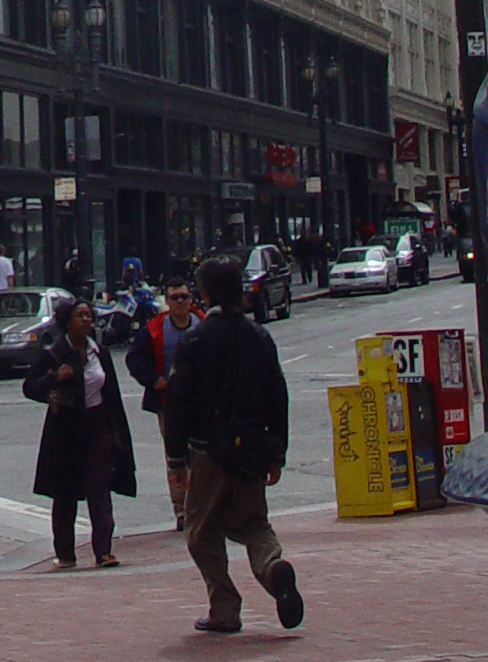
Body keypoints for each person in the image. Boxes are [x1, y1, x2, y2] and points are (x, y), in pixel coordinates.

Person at [165, 256, 303, 637]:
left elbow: (178, 400)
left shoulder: (195, 340)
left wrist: (176, 458)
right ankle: (272, 568)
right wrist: (277, 451)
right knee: (254, 521)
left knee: (200, 529)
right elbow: (279, 394)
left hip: (209, 449)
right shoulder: (259, 336)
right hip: (253, 446)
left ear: (204, 292)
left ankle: (224, 606)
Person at [23, 294, 137, 571]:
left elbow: (111, 394)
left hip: (98, 425)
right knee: (66, 492)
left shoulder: (100, 352)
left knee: (99, 488)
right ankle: (65, 554)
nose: (86, 319)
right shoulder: (54, 354)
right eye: (80, 315)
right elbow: (30, 386)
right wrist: (54, 380)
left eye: (88, 315)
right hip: (66, 430)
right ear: (67, 322)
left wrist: (118, 432)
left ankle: (104, 551)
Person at [126, 277, 203, 528]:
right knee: (176, 456)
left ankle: (203, 505)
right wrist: (153, 380)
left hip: (203, 403)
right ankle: (182, 510)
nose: (180, 302)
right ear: (167, 302)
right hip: (168, 404)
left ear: (191, 299)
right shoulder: (154, 330)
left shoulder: (203, 324)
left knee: (203, 454)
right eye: (174, 298)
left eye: (184, 297)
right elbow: (134, 359)